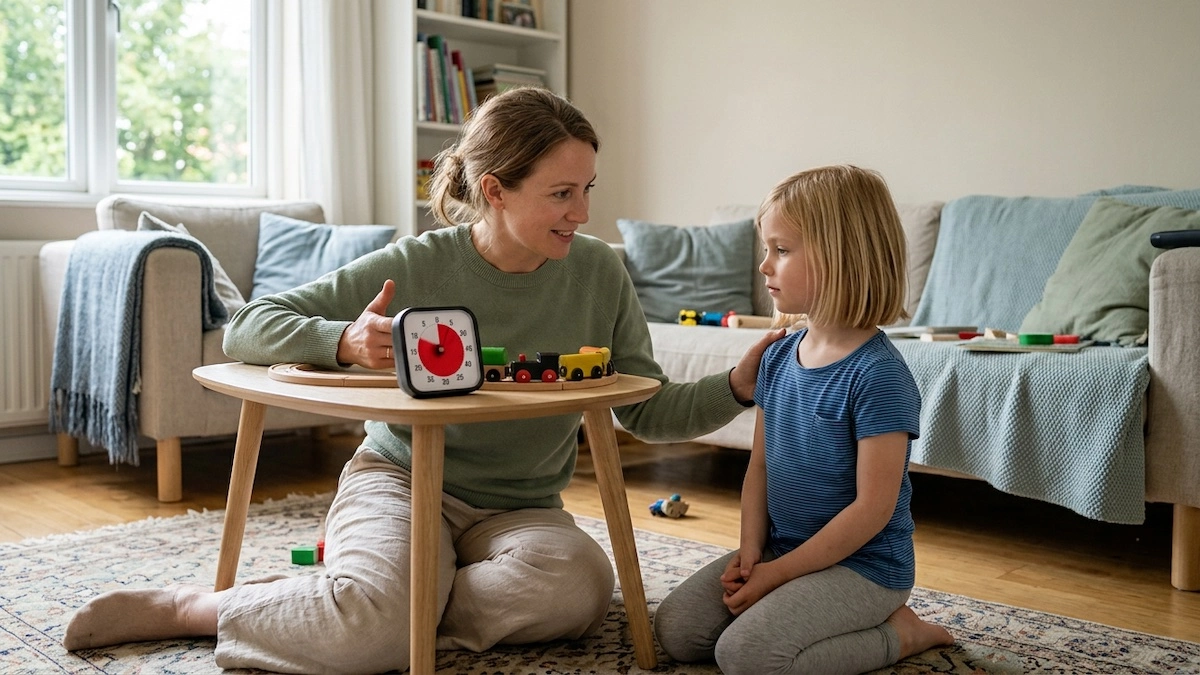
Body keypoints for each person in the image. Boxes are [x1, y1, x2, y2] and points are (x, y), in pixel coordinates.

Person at [61, 87, 783, 673]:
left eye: (587, 188)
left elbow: (644, 411)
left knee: (581, 588)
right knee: (373, 626)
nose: (583, 212)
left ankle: (379, 605)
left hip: (520, 507)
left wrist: (738, 385)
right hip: (402, 481)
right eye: (562, 193)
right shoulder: (420, 263)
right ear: (496, 190)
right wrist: (342, 339)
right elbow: (253, 324)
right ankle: (200, 607)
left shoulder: (597, 271)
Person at [653, 165, 953, 674]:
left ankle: (901, 633)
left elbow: (872, 511)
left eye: (782, 250)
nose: (764, 266)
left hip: (864, 568)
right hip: (780, 548)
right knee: (678, 632)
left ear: (841, 258)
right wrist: (751, 555)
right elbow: (761, 470)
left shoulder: (878, 375)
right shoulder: (776, 357)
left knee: (745, 657)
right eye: (765, 249)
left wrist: (777, 575)